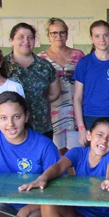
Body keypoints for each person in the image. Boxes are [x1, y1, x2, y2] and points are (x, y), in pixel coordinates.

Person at [72, 20, 109, 145]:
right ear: (91, 38)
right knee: (92, 158)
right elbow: (77, 98)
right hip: (89, 116)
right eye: (97, 36)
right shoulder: (84, 63)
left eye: (105, 35)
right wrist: (81, 128)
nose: (102, 39)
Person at [5, 22, 60, 139]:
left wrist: (39, 100)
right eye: (21, 37)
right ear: (11, 40)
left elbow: (55, 93)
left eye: (30, 37)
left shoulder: (44, 66)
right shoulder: (2, 66)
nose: (26, 41)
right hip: (11, 129)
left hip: (41, 127)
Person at [38, 17, 85, 153]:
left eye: (62, 32)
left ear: (67, 34)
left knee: (76, 154)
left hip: (75, 113)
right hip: (52, 114)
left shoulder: (78, 55)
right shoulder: (40, 59)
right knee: (55, 155)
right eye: (54, 33)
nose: (58, 36)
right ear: (48, 36)